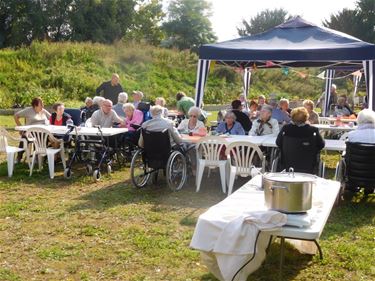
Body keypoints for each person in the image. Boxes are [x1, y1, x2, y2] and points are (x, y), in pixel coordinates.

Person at [276, 107, 325, 172]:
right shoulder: (313, 130)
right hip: (308, 163)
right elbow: (321, 145)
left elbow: (278, 143)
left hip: (288, 162)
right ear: (306, 118)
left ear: (292, 117)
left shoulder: (286, 128)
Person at [14, 97, 51, 161]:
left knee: (46, 136)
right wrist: (21, 128)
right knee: (24, 137)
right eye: (41, 104)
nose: (43, 106)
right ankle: (19, 157)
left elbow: (51, 118)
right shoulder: (28, 110)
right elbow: (16, 116)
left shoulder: (43, 111)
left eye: (43, 104)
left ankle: (40, 157)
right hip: (30, 132)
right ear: (35, 106)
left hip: (42, 132)